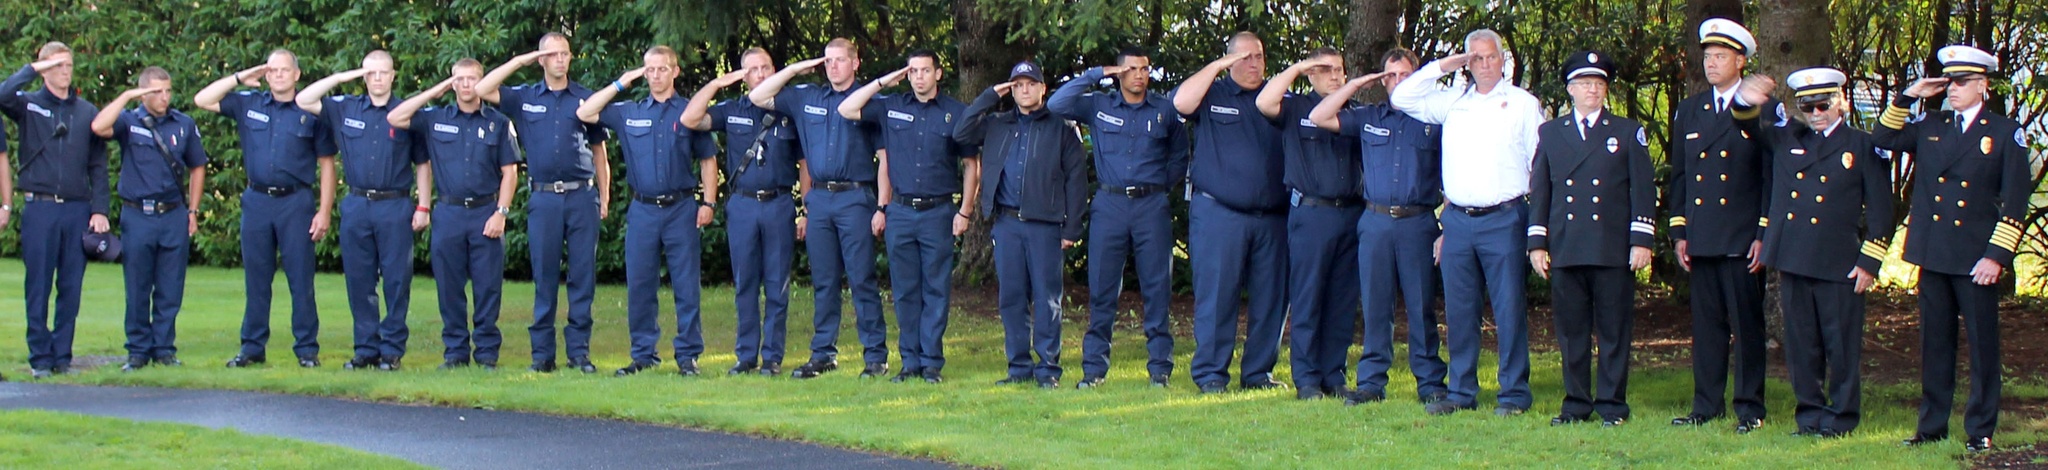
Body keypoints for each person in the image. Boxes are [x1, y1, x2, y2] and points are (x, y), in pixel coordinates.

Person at [1878, 45, 2030, 453]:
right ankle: (1931, 427)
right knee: (1934, 344)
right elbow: (1884, 136)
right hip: (1933, 252)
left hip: (1975, 256)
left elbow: (2016, 200)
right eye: (1949, 83)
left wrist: (1996, 257)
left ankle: (1980, 429)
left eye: (1962, 82)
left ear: (1983, 85)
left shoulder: (2003, 131)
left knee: (1982, 347)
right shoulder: (1932, 124)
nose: (1953, 90)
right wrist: (1911, 95)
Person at [1732, 66, 1894, 438]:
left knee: (1840, 345)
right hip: (1794, 255)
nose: (1817, 114)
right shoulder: (1787, 136)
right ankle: (1808, 416)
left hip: (1839, 260)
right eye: (1808, 107)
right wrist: (1746, 99)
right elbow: (1747, 127)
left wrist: (1870, 260)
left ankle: (1840, 417)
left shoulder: (1861, 145)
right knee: (1802, 344)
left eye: (1823, 105)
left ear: (1842, 103)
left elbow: (1882, 211)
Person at [1389, 29, 1544, 416]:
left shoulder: (1522, 104)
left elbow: (1539, 164)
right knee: (1459, 310)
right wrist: (1446, 65)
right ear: (1467, 62)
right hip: (1457, 220)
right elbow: (1402, 96)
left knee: (1508, 308)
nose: (1484, 64)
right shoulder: (1452, 101)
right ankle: (1461, 392)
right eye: (1476, 58)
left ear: (1503, 59)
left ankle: (1513, 395)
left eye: (1490, 57)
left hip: (1504, 217)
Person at [1309, 47, 1450, 407]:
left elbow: (1454, 175)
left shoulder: (1434, 119)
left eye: (1406, 76)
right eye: (1391, 76)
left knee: (1420, 306)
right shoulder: (1369, 115)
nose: (1398, 82)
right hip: (1374, 222)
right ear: (1382, 80)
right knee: (1375, 305)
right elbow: (1320, 115)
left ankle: (1430, 381)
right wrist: (1355, 84)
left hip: (1417, 222)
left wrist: (1446, 225)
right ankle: (1371, 382)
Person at [1527, 51, 1655, 427]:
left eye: (1598, 84)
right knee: (1572, 333)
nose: (1592, 90)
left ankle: (1613, 405)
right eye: (1585, 84)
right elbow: (1541, 191)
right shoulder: (1551, 133)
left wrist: (1642, 240)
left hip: (1611, 247)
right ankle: (1576, 404)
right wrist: (1537, 243)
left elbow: (1642, 190)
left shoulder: (1627, 132)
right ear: (1570, 90)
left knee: (1614, 330)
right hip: (1567, 246)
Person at [1048, 46, 1188, 389]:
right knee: (1102, 289)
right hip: (1110, 205)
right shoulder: (1099, 104)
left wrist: (1157, 188)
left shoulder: (1165, 110)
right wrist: (1099, 72)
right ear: (1119, 73)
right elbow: (1056, 104)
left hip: (1150, 206)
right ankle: (1094, 370)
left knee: (1157, 288)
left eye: (1144, 68)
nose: (1139, 74)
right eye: (1131, 69)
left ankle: (1160, 370)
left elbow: (1179, 156)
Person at [835, 49, 979, 383]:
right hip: (899, 211)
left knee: (936, 290)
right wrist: (886, 80)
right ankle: (910, 362)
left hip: (938, 212)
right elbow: (846, 108)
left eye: (925, 71)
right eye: (912, 71)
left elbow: (972, 165)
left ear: (938, 74)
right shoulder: (891, 106)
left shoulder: (956, 113)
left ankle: (931, 363)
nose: (918, 77)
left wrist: (965, 211)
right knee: (904, 291)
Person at [576, 46, 721, 377]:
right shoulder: (629, 111)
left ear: (675, 71)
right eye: (649, 70)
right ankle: (643, 355)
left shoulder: (689, 112)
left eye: (661, 69)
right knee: (640, 285)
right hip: (642, 209)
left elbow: (707, 159)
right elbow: (585, 113)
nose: (655, 75)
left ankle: (687, 357)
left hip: (681, 208)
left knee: (685, 285)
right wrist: (621, 82)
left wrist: (708, 202)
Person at [749, 38, 888, 379]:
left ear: (855, 63)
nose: (833, 66)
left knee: (861, 279)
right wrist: (796, 69)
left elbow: (885, 159)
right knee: (824, 281)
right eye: (827, 61)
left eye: (840, 60)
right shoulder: (806, 96)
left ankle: (875, 356)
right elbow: (758, 96)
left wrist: (882, 206)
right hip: (820, 200)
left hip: (855, 198)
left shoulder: (868, 102)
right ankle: (823, 353)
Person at [473, 32, 612, 374]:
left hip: (582, 197)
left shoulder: (585, 98)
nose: (560, 59)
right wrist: (520, 61)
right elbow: (482, 90)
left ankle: (579, 354)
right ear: (542, 60)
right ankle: (542, 356)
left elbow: (600, 153)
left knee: (582, 276)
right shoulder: (524, 97)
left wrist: (604, 198)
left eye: (564, 53)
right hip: (544, 198)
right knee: (544, 277)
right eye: (552, 55)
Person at [195, 48, 336, 369]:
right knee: (257, 278)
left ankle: (306, 350)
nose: (277, 75)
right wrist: (240, 77)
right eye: (271, 70)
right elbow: (202, 99)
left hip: (295, 203)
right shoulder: (248, 102)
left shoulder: (311, 111)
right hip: (257, 201)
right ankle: (252, 347)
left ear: (297, 74)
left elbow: (327, 165)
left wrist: (324, 210)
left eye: (284, 70)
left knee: (301, 279)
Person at [954, 61, 1088, 389]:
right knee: (1011, 299)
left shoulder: (1062, 126)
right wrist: (989, 96)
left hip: (1045, 226)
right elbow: (960, 132)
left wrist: (1072, 228)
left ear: (1043, 88)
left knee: (1047, 299)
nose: (1023, 90)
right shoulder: (998, 123)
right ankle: (1018, 368)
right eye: (1017, 85)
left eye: (1030, 84)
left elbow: (1076, 180)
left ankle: (1048, 371)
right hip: (1007, 223)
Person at [1667, 18, 1771, 434]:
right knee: (1706, 327)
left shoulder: (1760, 108)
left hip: (1742, 236)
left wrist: (1763, 234)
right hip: (1703, 235)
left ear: (1740, 61)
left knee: (1746, 328)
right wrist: (1679, 231)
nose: (1711, 64)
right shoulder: (1690, 109)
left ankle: (1750, 408)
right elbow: (1682, 176)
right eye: (1707, 57)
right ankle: (1705, 405)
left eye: (1720, 57)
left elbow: (1770, 174)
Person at [1171, 31, 1289, 394]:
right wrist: (1219, 67)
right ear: (1230, 60)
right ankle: (1210, 374)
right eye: (1246, 57)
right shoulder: (1213, 94)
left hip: (1272, 216)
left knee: (1271, 299)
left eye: (1260, 56)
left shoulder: (1277, 99)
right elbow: (1181, 103)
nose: (1255, 64)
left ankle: (1257, 374)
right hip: (1219, 214)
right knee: (1218, 296)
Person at [296, 50, 430, 371]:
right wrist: (344, 78)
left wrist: (423, 206)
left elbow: (423, 164)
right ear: (363, 76)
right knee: (359, 279)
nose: (377, 78)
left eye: (383, 72)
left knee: (397, 280)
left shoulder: (406, 112)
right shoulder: (345, 108)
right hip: (357, 205)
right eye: (370, 73)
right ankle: (366, 349)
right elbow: (304, 99)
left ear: (393, 75)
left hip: (395, 204)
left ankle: (392, 350)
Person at [388, 58, 522, 371]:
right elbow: (395, 117)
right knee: (449, 287)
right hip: (448, 212)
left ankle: (487, 354)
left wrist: (501, 212)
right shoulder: (435, 118)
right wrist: (434, 92)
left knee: (488, 287)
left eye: (472, 79)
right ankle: (455, 353)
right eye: (459, 79)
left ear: (481, 81)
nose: (466, 85)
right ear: (452, 83)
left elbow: (510, 173)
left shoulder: (498, 123)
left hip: (485, 212)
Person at [682, 47, 808, 377]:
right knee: (745, 284)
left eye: (766, 67)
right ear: (743, 75)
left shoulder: (789, 112)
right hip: (742, 205)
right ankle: (746, 356)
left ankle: (773, 358)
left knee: (777, 284)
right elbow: (691, 119)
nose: (761, 74)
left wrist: (805, 209)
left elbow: (805, 165)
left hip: (779, 203)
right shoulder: (731, 109)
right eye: (752, 69)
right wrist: (716, 84)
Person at [1256, 47, 1361, 399]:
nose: (1334, 76)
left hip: (1351, 214)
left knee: (1342, 300)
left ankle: (1334, 375)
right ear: (1312, 75)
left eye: (1339, 70)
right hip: (1312, 214)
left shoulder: (1355, 114)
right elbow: (1264, 103)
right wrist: (1298, 67)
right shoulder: (1296, 108)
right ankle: (1307, 379)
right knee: (1308, 296)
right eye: (1326, 70)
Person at [2, 42, 110, 379]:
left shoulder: (87, 111)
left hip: (77, 209)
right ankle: (40, 357)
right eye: (58, 65)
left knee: (71, 285)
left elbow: (98, 165)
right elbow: (3, 94)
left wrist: (100, 209)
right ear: (45, 68)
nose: (65, 71)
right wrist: (33, 69)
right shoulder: (29, 105)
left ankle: (62, 355)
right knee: (38, 283)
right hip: (40, 208)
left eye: (69, 65)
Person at [91, 66, 209, 372]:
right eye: (157, 91)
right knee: (138, 286)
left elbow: (198, 166)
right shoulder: (129, 122)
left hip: (173, 214)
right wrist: (128, 96)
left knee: (171, 287)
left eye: (168, 91)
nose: (165, 97)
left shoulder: (183, 123)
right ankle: (138, 351)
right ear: (144, 93)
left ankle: (164, 349)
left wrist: (193, 211)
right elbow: (98, 127)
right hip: (137, 215)